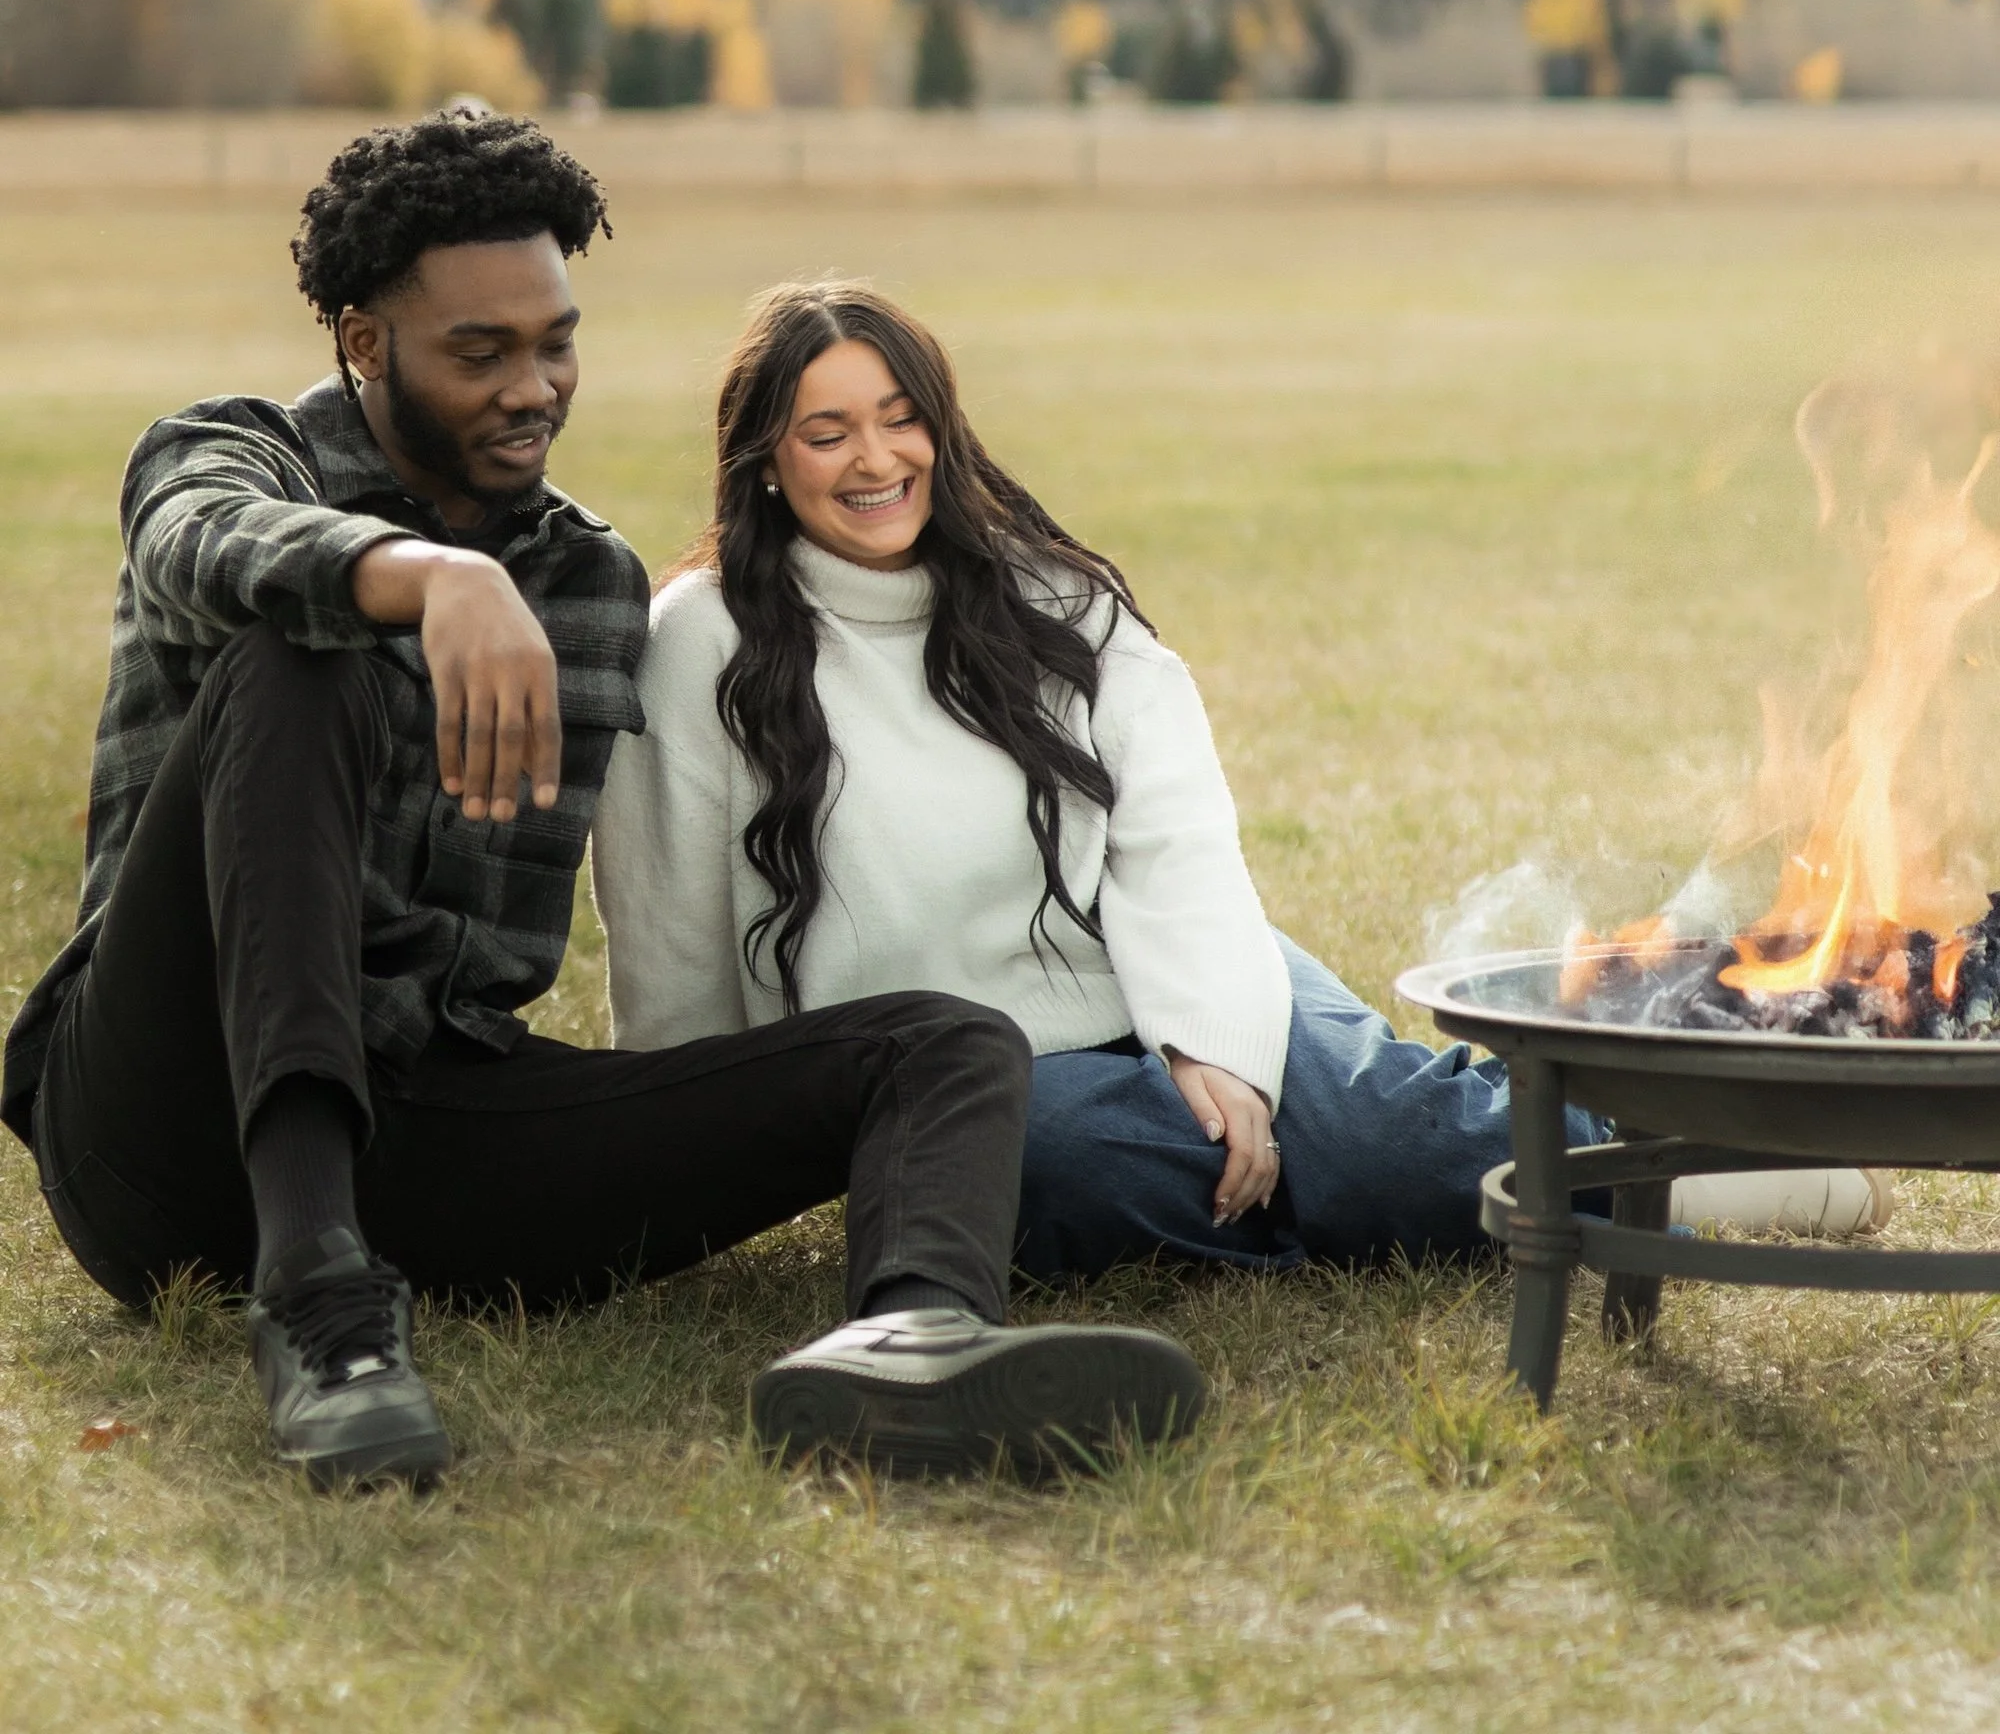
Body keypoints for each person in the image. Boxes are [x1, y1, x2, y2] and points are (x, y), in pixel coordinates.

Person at [2, 119, 1203, 1490]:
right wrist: (430, 578)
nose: (533, 389)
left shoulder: (586, 581)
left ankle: (913, 1344)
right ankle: (322, 1309)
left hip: (420, 1129)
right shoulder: (232, 451)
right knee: (298, 664)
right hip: (153, 1127)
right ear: (364, 342)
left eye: (555, 344)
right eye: (480, 353)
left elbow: (498, 970)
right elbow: (199, 539)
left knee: (944, 1041)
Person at [592, 280, 1892, 1282]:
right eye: (827, 433)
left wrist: (1211, 1043)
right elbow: (670, 925)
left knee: (1374, 1137)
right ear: (767, 460)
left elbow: (1174, 839)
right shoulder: (702, 643)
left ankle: (1687, 1163)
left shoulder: (1045, 602)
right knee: (1039, 1185)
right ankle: (1482, 1189)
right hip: (973, 1077)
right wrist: (694, 1164)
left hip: (1175, 963)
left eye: (900, 418)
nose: (877, 461)